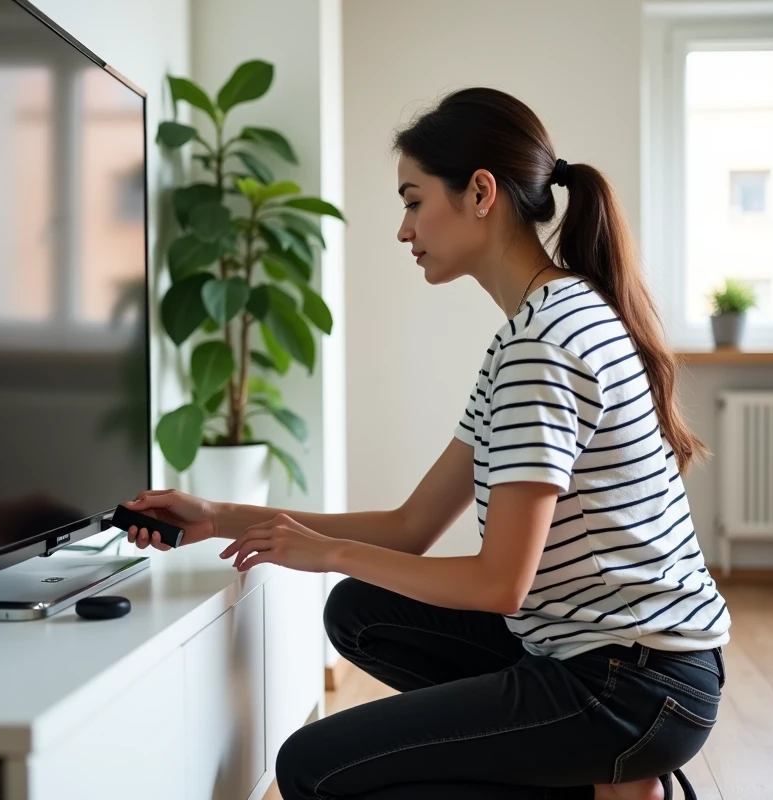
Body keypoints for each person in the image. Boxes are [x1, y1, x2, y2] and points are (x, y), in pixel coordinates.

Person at [123, 87, 729, 800]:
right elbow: (412, 527)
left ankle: (611, 773)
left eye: (413, 201)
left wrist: (329, 553)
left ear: (481, 193)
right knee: (361, 612)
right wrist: (219, 517)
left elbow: (500, 584)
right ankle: (610, 781)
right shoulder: (537, 325)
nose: (403, 230)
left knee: (312, 770)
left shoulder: (542, 346)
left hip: (632, 683)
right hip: (622, 658)